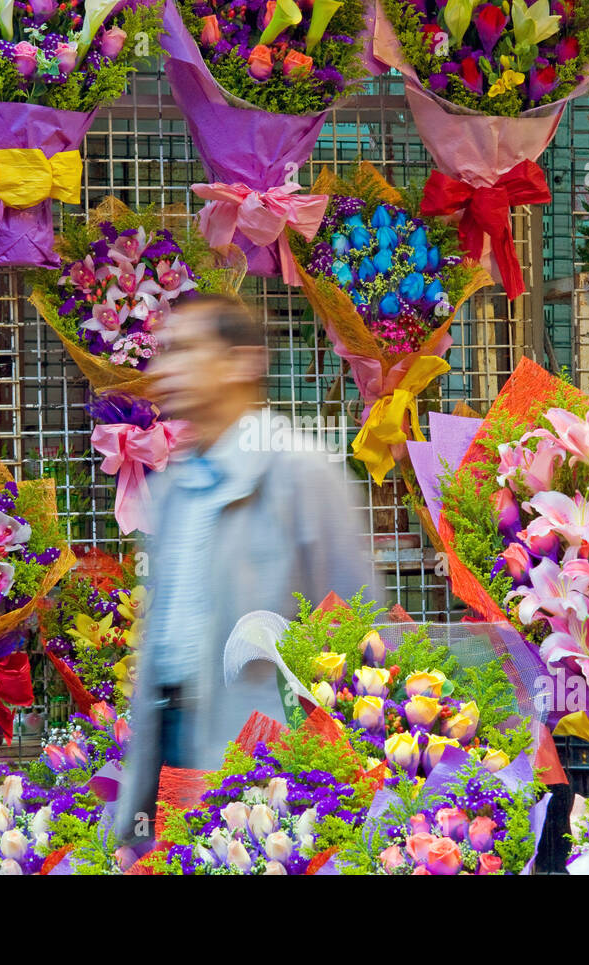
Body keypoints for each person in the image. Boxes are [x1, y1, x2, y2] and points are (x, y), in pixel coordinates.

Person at [114, 292, 381, 846]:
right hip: (172, 737)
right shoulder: (173, 487)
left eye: (185, 350)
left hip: (262, 762)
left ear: (241, 362)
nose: (163, 369)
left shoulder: (301, 474)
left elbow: (360, 635)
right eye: (163, 353)